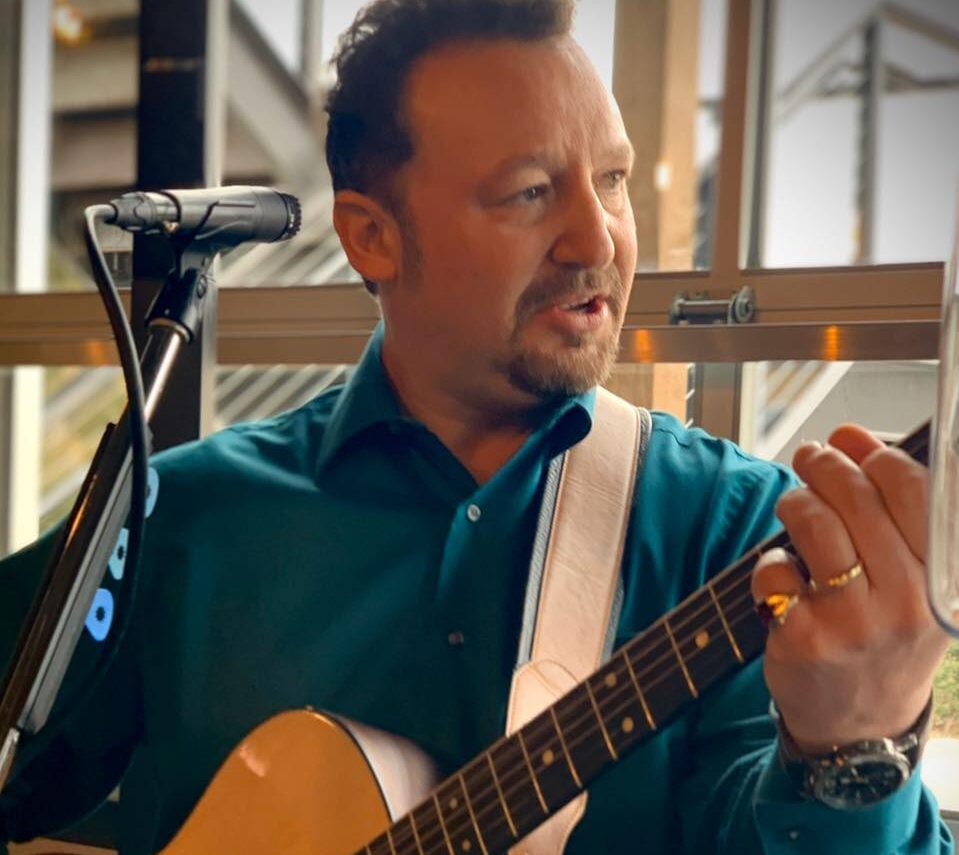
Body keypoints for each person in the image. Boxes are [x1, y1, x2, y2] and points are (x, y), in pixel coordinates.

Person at [0, 0, 953, 852]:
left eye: (612, 179)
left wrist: (851, 750)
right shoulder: (183, 520)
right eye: (529, 191)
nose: (598, 238)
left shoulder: (740, 537)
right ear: (371, 236)